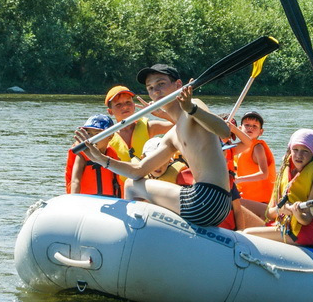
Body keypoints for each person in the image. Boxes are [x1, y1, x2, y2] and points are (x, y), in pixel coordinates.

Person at [75, 64, 233, 227]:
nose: (155, 91)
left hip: (208, 200)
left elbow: (224, 132)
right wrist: (100, 159)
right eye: (150, 88)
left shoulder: (194, 105)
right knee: (133, 181)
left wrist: (192, 109)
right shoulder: (172, 135)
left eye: (161, 83)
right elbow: (138, 171)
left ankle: (130, 236)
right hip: (214, 204)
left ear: (178, 85)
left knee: (130, 185)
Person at [244, 129, 313, 247]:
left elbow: (306, 219)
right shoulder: (286, 171)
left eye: (305, 151)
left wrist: (296, 213)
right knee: (242, 232)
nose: (299, 155)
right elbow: (269, 214)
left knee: (246, 233)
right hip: (287, 226)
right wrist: (282, 210)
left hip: (306, 234)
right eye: (295, 150)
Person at [104, 85, 173, 162]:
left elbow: (181, 124)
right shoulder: (105, 136)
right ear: (110, 111)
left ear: (134, 106)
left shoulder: (149, 127)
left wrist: (162, 114)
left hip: (145, 173)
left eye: (128, 102)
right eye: (118, 104)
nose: (125, 107)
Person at [65, 114, 122, 197]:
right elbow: (75, 181)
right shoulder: (81, 155)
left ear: (110, 136)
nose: (91, 138)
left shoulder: (113, 155)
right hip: (86, 201)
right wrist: (74, 200)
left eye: (97, 134)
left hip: (109, 200)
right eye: (88, 133)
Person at [234, 111, 277, 218]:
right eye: (247, 125)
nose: (250, 128)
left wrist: (239, 179)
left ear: (261, 132)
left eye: (255, 126)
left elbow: (264, 174)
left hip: (262, 202)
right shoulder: (238, 148)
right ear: (239, 128)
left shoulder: (258, 147)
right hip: (248, 198)